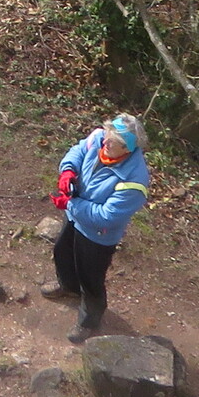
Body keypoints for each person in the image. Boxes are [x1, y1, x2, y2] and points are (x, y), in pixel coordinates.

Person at [50, 112, 150, 342]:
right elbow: (79, 151)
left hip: (98, 235)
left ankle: (89, 320)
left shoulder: (135, 181)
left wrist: (70, 203)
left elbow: (107, 217)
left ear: (126, 148)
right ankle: (69, 287)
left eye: (112, 141)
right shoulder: (99, 138)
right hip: (74, 217)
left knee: (91, 278)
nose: (105, 142)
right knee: (62, 252)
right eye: (107, 134)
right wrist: (68, 170)